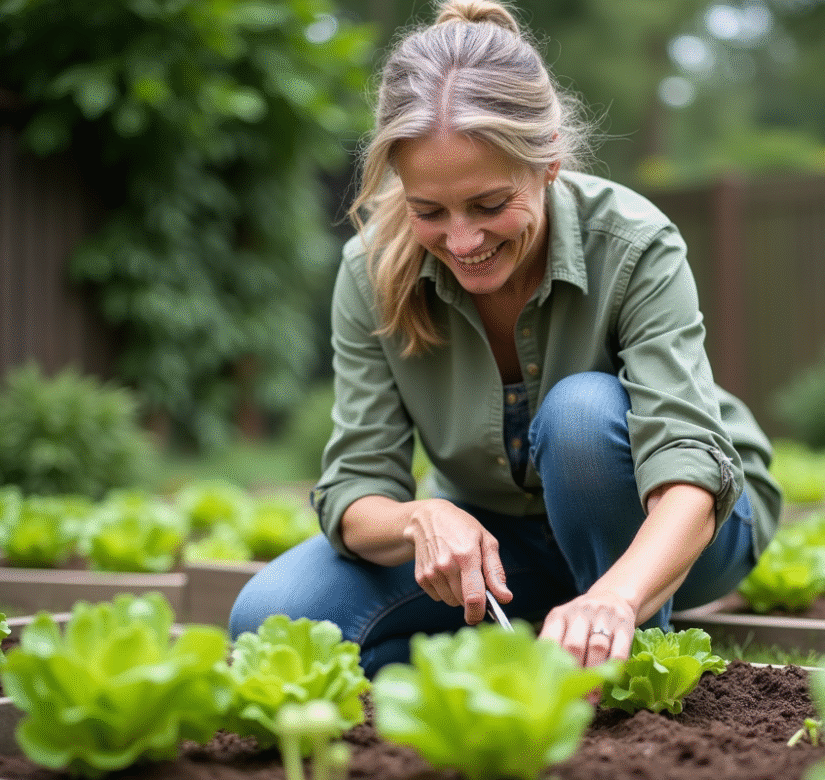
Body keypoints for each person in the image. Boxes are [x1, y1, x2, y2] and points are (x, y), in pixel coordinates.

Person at [229, 0, 781, 677]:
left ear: (548, 160)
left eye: (489, 205)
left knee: (581, 415)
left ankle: (620, 646)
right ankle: (543, 629)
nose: (462, 241)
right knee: (272, 619)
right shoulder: (370, 271)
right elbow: (355, 487)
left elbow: (689, 467)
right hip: (505, 544)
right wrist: (419, 518)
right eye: (429, 210)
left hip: (677, 533)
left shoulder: (635, 244)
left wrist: (614, 596)